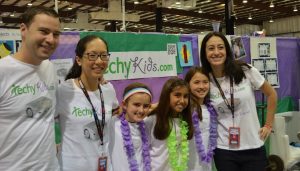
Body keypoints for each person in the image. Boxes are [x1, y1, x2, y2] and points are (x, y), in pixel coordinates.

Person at [200, 32, 277, 171]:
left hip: (253, 145)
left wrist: (268, 125)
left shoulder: (245, 70)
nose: (216, 52)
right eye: (211, 48)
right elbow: (184, 98)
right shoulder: (204, 80)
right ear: (204, 53)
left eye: (220, 47)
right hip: (224, 149)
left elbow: (271, 94)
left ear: (227, 50)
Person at [0, 6, 61, 170]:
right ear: (23, 30)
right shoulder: (3, 71)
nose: (51, 39)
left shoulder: (49, 68)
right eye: (43, 31)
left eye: (55, 34)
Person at [56, 35, 119, 171]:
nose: (99, 61)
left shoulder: (109, 90)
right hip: (71, 166)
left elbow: (116, 114)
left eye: (103, 55)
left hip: (104, 165)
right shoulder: (64, 91)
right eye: (92, 55)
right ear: (78, 60)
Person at [145, 77, 193, 171]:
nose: (182, 100)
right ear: (167, 96)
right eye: (177, 95)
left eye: (186, 96)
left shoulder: (184, 121)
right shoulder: (152, 120)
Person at [108, 82, 152, 171]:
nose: (141, 110)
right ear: (124, 105)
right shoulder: (112, 123)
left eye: (145, 106)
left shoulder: (146, 124)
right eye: (136, 104)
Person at [184, 66, 218, 171]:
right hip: (189, 164)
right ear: (188, 84)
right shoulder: (185, 107)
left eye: (205, 82)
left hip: (206, 164)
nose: (202, 86)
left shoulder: (211, 107)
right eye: (196, 82)